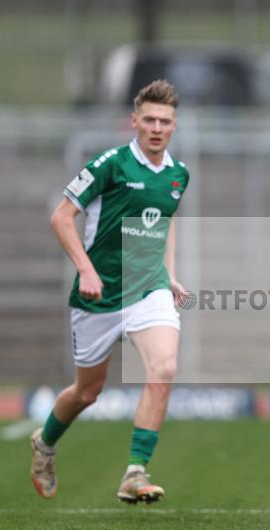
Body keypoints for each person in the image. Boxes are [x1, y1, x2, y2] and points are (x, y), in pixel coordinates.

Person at [30, 79, 190, 504]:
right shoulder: (110, 165)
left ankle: (135, 471)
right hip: (98, 295)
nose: (157, 128)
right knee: (88, 391)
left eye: (166, 121)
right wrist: (85, 269)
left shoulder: (178, 174)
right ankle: (45, 443)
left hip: (148, 289)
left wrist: (168, 274)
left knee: (164, 367)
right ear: (133, 121)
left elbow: (166, 222)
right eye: (150, 120)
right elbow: (61, 218)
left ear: (175, 126)